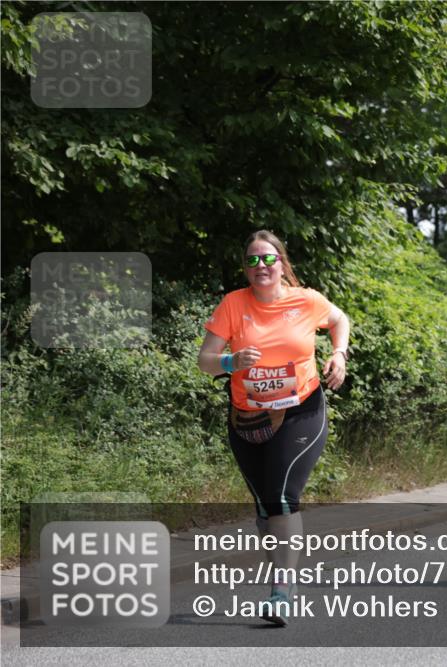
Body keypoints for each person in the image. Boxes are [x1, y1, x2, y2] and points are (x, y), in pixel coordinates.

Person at [197, 230, 349, 625]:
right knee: (266, 507)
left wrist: (338, 353)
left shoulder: (307, 300)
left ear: (282, 263)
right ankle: (281, 575)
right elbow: (205, 360)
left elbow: (339, 319)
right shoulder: (233, 304)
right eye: (253, 261)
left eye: (268, 259)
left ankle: (281, 590)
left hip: (302, 411)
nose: (261, 267)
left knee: (281, 496)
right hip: (247, 418)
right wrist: (231, 362)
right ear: (246, 268)